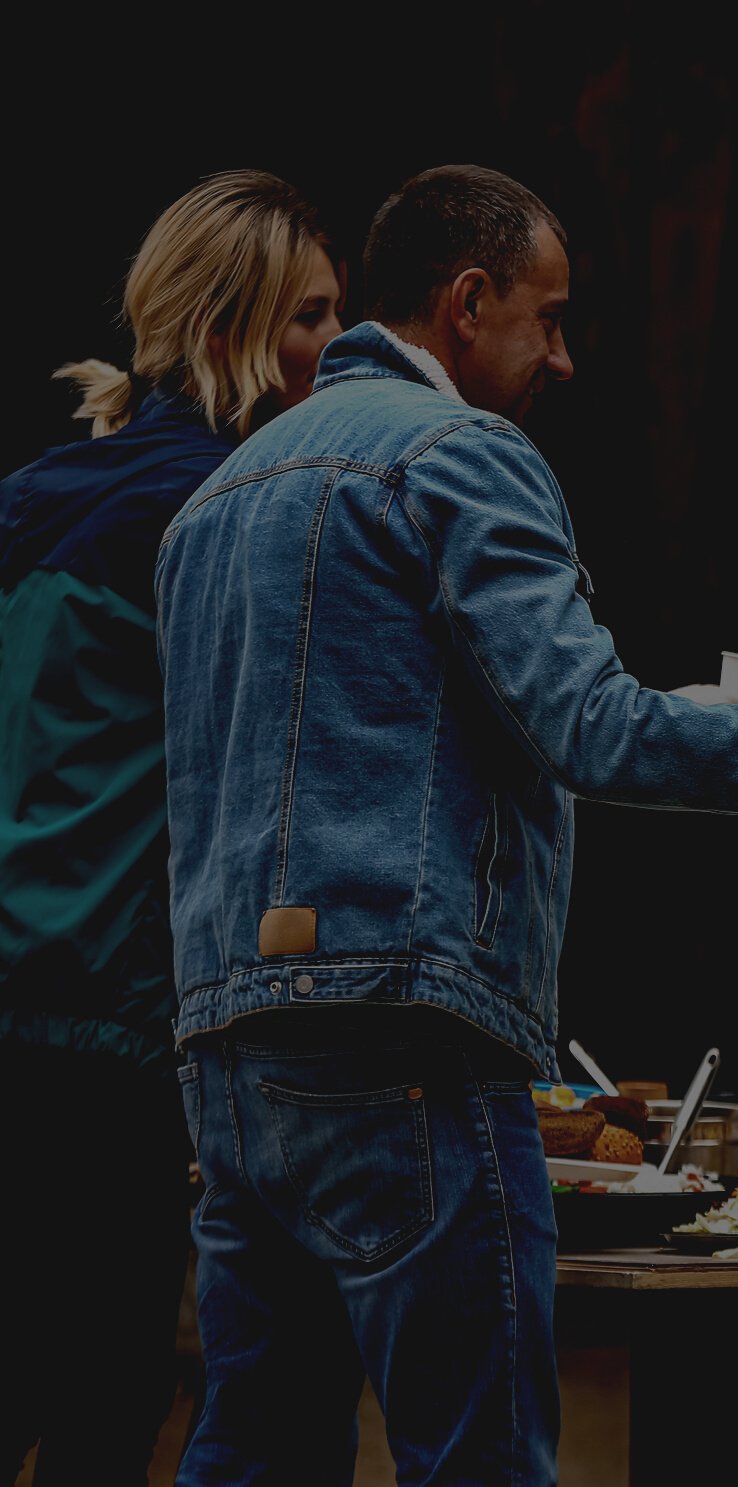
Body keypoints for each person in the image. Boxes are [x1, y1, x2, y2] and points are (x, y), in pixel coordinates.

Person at [154, 164, 738, 1484]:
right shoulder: (464, 453)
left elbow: (337, 747)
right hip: (406, 1026)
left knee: (254, 1457)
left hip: (227, 1042)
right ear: (468, 304)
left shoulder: (215, 498)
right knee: (476, 1460)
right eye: (550, 316)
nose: (565, 356)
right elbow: (594, 726)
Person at [0, 171, 342, 1483]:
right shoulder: (225, 507)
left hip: (22, 979)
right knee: (100, 1380)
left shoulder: (41, 488)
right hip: (117, 1000)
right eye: (310, 316)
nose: (334, 349)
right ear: (226, 332)